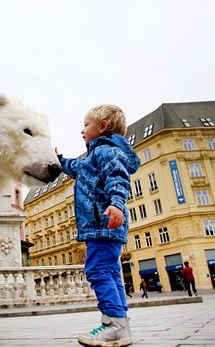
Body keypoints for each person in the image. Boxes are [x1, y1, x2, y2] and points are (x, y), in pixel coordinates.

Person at [57, 104, 140, 347]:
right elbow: (77, 168)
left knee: (97, 271)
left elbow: (118, 178)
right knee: (112, 273)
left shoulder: (105, 152)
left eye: (86, 125)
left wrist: (116, 204)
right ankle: (120, 325)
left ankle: (113, 324)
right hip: (105, 225)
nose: (81, 130)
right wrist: (59, 160)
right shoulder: (95, 155)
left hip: (103, 223)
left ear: (102, 126)